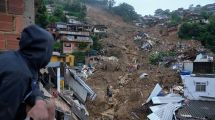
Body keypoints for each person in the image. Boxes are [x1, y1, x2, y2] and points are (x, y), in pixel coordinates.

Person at [0, 25, 55, 120]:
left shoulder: (23, 61)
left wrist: (39, 100)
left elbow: (33, 85)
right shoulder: (17, 74)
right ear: (44, 52)